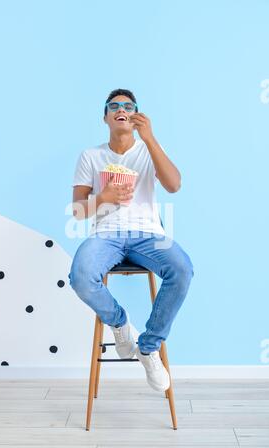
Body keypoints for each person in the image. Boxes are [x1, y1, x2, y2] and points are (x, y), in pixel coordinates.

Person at [69, 88, 194, 392]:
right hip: (106, 234)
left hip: (147, 233)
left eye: (127, 105)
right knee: (81, 276)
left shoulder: (148, 150)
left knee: (182, 269)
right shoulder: (91, 155)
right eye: (114, 106)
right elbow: (77, 210)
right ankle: (119, 323)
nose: (121, 109)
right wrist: (104, 197)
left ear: (136, 114)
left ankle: (149, 347)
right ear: (106, 117)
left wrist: (150, 138)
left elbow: (174, 185)